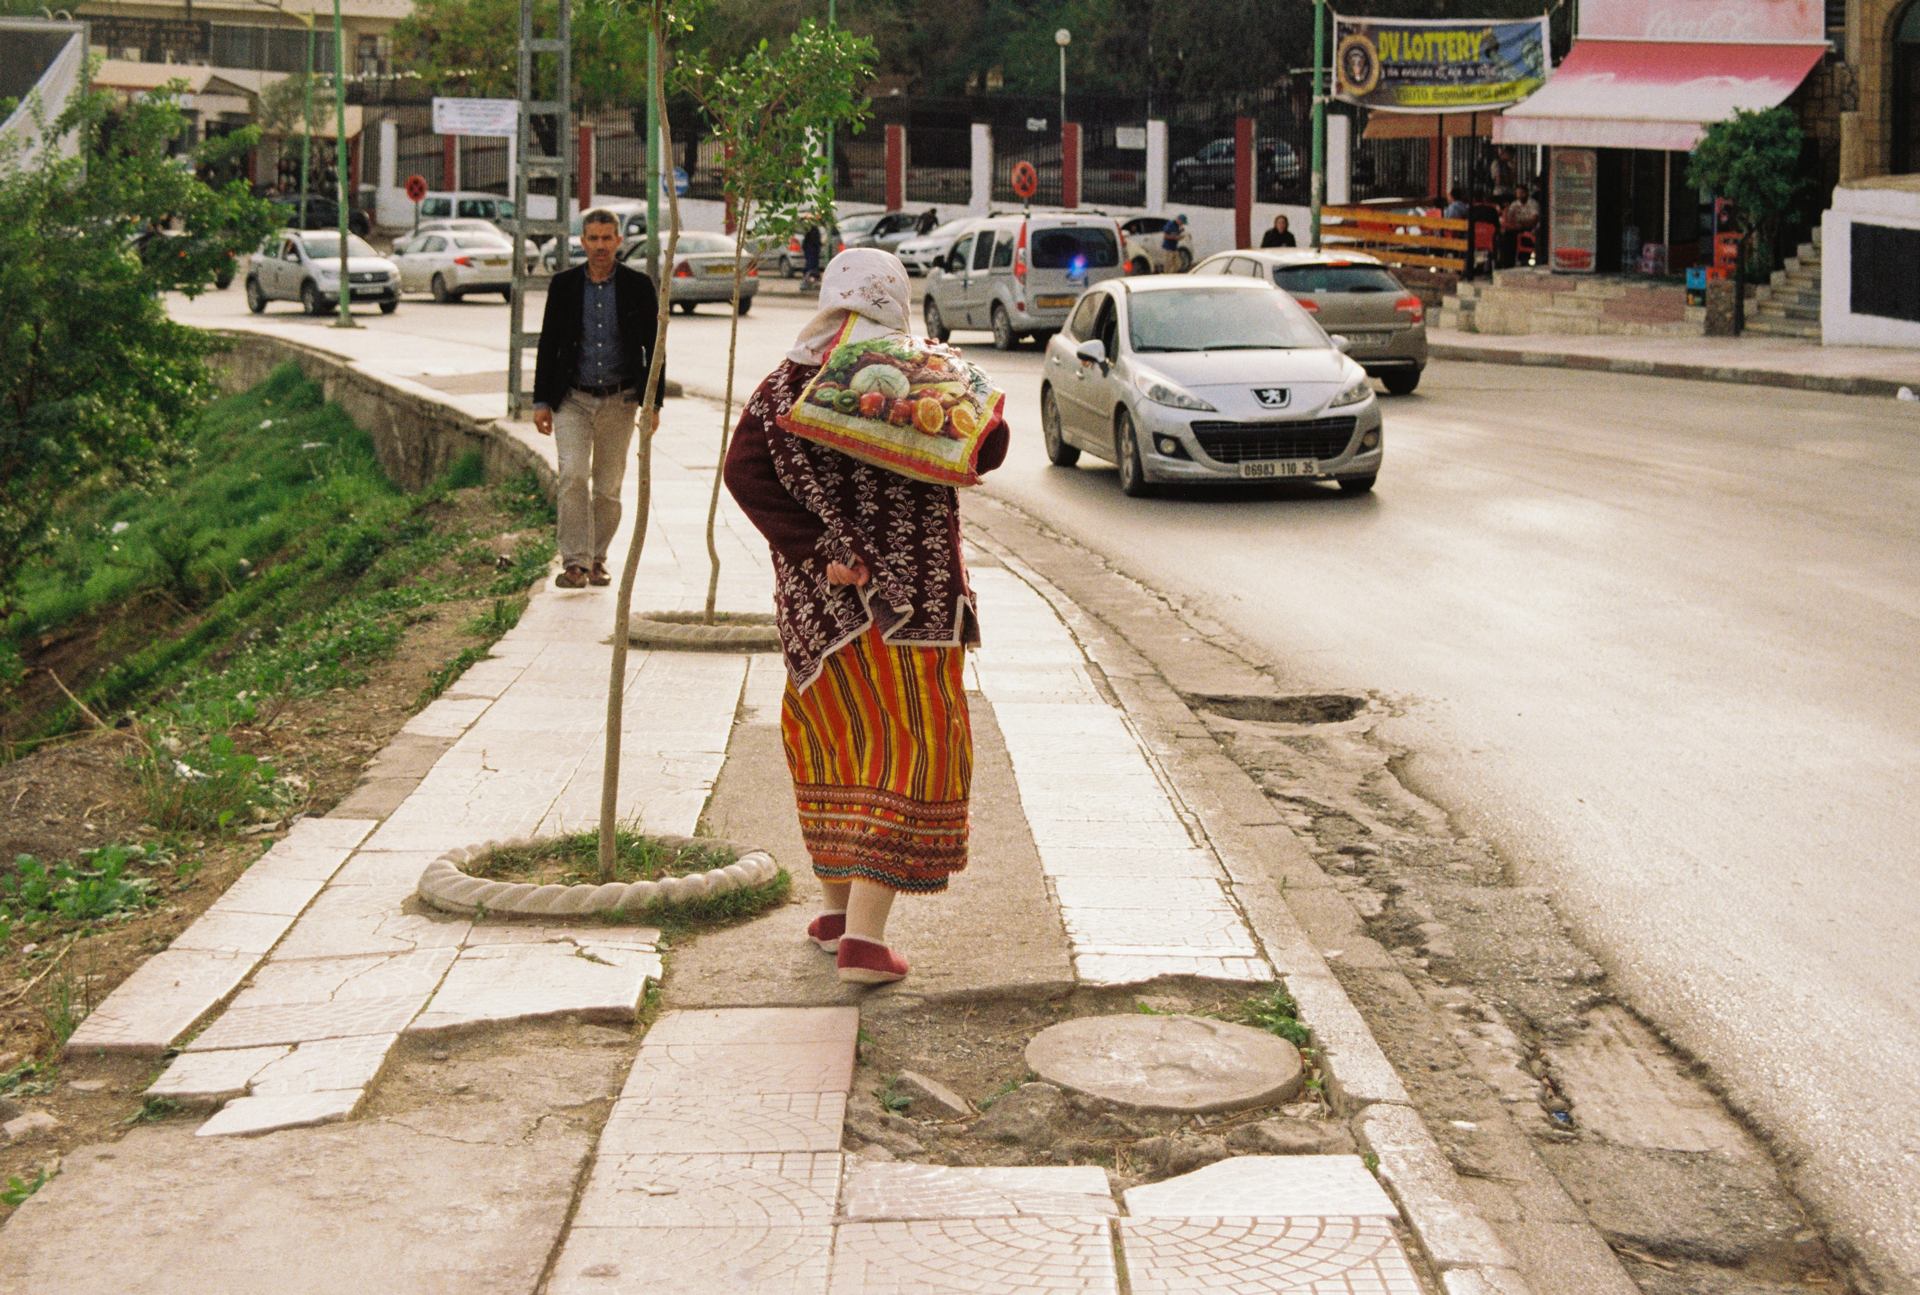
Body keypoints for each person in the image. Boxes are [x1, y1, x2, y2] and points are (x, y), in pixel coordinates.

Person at [722, 249, 1011, 987]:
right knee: (909, 748)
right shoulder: (919, 374)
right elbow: (990, 445)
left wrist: (819, 553)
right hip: (909, 610)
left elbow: (743, 471)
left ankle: (835, 914)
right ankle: (867, 941)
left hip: (819, 617)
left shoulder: (786, 382)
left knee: (835, 744)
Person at [531, 208, 665, 590]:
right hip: (572, 398)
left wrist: (652, 403)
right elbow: (548, 344)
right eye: (594, 238)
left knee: (608, 486)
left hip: (619, 401)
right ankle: (574, 562)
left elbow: (655, 347)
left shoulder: (638, 286)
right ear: (582, 241)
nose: (601, 246)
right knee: (573, 475)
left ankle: (598, 560)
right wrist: (541, 400)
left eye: (608, 238)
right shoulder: (564, 286)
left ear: (619, 241)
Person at [1499, 182, 1540, 269]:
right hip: (1517, 228)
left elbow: (1534, 220)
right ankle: (1507, 262)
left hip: (1530, 227)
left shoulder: (1533, 204)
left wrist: (1522, 223)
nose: (1520, 195)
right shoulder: (1514, 204)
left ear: (1526, 193)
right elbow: (1509, 218)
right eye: (1518, 193)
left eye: (1522, 193)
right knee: (1506, 235)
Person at [801, 222, 823, 288]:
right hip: (813, 253)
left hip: (811, 253)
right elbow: (817, 242)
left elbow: (804, 244)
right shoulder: (814, 230)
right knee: (811, 268)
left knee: (810, 268)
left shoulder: (810, 231)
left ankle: (809, 283)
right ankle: (809, 283)